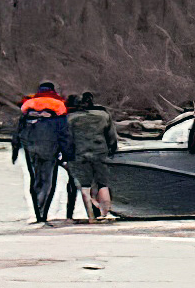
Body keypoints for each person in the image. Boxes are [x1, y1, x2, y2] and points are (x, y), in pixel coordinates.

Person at [10, 83, 72, 223]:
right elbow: (64, 135)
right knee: (48, 181)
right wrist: (67, 154)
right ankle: (43, 213)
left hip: (30, 148)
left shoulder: (27, 111)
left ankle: (37, 212)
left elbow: (17, 134)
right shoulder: (58, 109)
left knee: (34, 180)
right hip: (50, 148)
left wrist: (15, 151)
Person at [65, 92, 120, 222]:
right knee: (102, 184)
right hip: (100, 152)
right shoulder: (103, 116)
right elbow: (111, 136)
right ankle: (104, 213)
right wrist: (112, 149)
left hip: (80, 154)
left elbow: (67, 139)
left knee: (84, 185)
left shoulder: (71, 118)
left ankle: (91, 215)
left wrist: (66, 155)